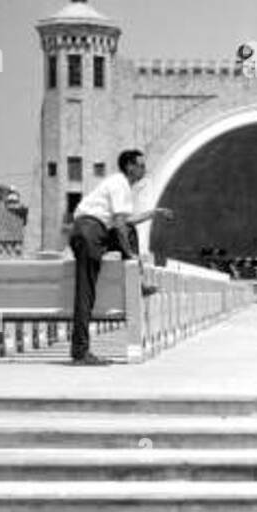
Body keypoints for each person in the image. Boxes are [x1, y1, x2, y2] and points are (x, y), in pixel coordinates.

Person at [68, 149, 174, 365]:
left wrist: (155, 213)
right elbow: (118, 224)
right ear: (130, 166)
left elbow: (127, 221)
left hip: (92, 230)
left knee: (129, 231)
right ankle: (80, 352)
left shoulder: (120, 185)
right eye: (141, 165)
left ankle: (138, 279)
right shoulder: (119, 183)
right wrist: (130, 256)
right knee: (85, 293)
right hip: (90, 232)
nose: (144, 169)